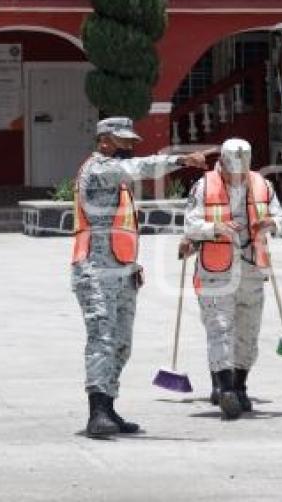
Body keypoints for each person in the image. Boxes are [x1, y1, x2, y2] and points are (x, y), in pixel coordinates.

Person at [72, 116, 209, 439]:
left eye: (132, 141)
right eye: (124, 141)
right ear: (104, 139)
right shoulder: (98, 170)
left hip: (120, 270)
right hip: (95, 270)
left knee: (121, 343)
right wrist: (179, 159)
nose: (130, 146)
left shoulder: (115, 180)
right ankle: (97, 413)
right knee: (102, 340)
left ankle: (109, 404)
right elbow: (138, 168)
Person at [184, 138, 282, 419]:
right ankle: (226, 388)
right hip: (216, 270)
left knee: (248, 333)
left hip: (252, 270)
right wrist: (215, 227)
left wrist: (272, 223)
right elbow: (190, 223)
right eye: (233, 172)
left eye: (243, 171)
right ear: (223, 165)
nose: (238, 177)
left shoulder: (262, 185)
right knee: (219, 328)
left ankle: (240, 385)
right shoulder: (203, 186)